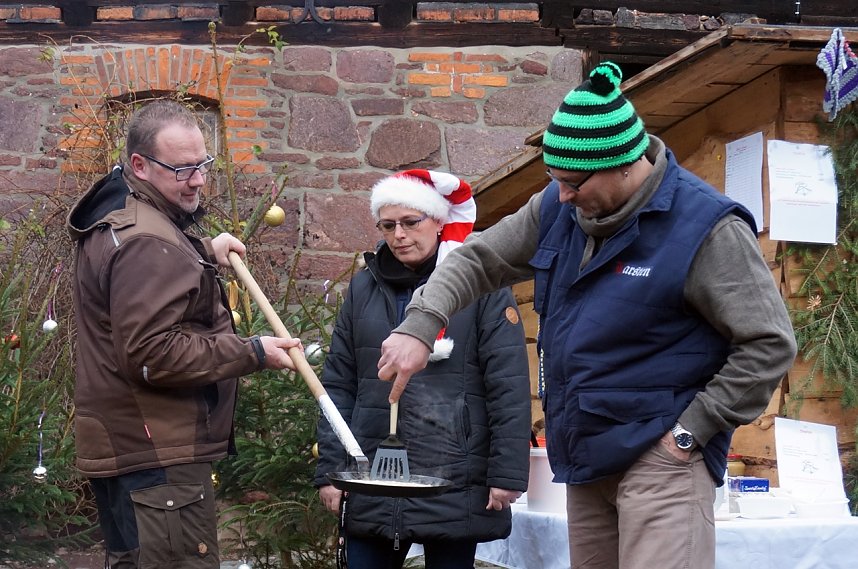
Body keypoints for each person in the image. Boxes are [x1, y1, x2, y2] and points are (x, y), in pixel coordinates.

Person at [376, 63, 798, 569]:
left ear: (623, 164)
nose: (562, 194)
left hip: (662, 458)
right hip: (586, 456)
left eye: (573, 182)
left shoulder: (706, 227)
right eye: (554, 180)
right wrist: (420, 324)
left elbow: (768, 343)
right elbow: (476, 258)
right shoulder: (558, 209)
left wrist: (688, 434)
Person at [66, 100, 302, 569]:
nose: (197, 180)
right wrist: (251, 351)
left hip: (133, 447)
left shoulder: (124, 217)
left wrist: (200, 253)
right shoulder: (148, 242)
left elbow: (138, 287)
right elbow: (153, 353)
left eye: (203, 165)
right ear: (140, 165)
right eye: (183, 169)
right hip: (156, 454)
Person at [314, 169, 531, 569]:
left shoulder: (482, 287)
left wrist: (508, 472)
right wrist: (331, 470)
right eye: (389, 224)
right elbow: (338, 383)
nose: (399, 235)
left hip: (453, 475)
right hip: (371, 476)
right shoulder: (363, 288)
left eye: (411, 222)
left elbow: (508, 384)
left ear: (438, 221)